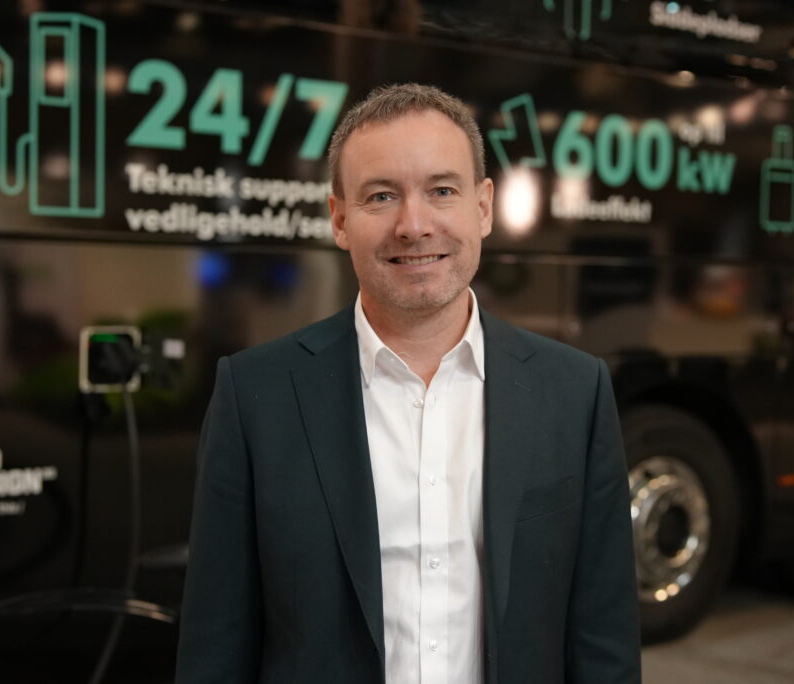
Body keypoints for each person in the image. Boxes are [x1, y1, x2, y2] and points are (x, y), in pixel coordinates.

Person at [176, 83, 641, 684]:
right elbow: (215, 645)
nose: (413, 225)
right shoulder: (254, 396)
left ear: (483, 207)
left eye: (442, 191)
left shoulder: (575, 392)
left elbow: (604, 638)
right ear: (340, 219)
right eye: (381, 196)